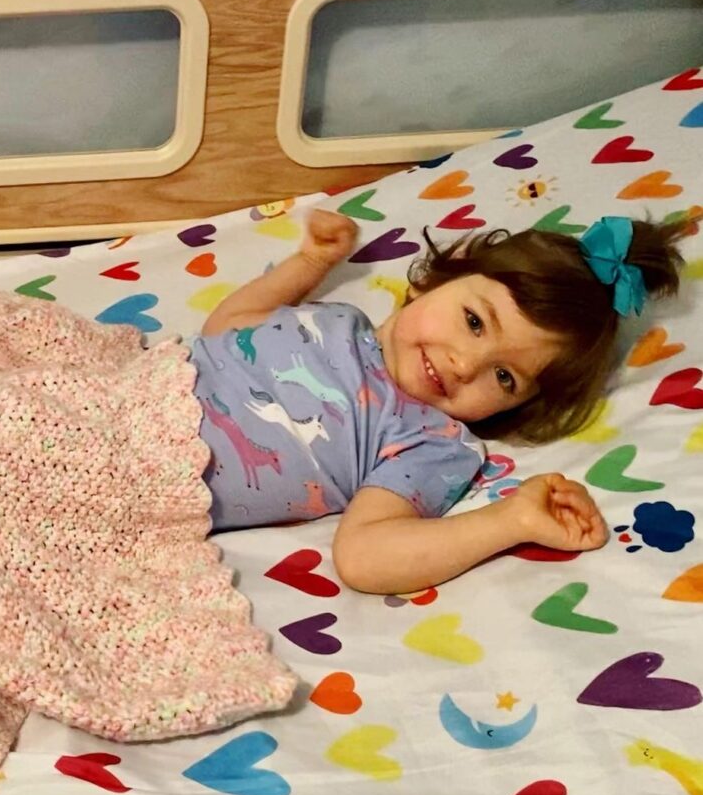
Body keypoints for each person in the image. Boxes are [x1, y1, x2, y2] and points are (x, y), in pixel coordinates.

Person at [192, 208, 688, 595]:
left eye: (504, 376)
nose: (463, 364)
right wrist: (312, 262)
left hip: (147, 473)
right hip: (136, 383)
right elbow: (227, 329)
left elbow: (364, 555)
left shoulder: (431, 441)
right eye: (474, 322)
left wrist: (509, 521)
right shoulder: (340, 320)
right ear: (434, 281)